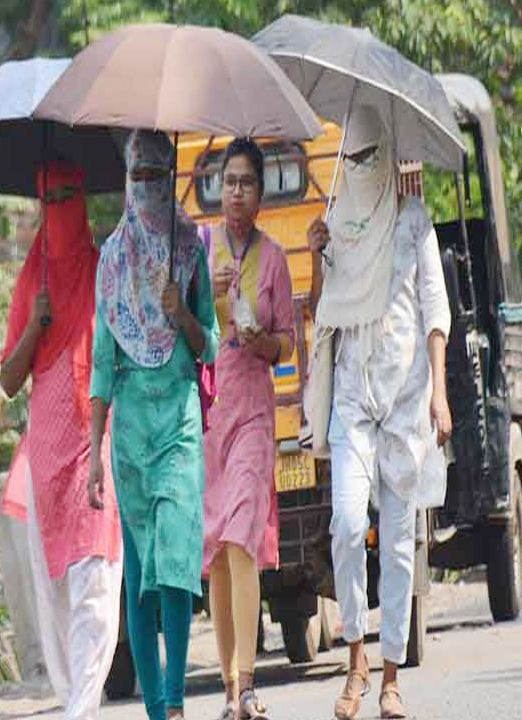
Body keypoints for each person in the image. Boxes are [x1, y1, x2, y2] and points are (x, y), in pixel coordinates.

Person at [307, 105, 452, 720]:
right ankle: (355, 656)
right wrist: (318, 255)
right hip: (351, 400)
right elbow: (321, 313)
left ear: (388, 159)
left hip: (404, 404)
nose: (363, 167)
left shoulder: (415, 223)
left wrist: (440, 392)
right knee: (344, 523)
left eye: (371, 157)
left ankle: (390, 677)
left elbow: (436, 313)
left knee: (396, 546)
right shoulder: (337, 225)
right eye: (354, 158)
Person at [89, 130, 219, 720]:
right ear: (126, 179)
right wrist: (94, 454)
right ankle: (156, 712)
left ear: (172, 176)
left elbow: (210, 344)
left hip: (179, 425)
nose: (146, 187)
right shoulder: (112, 259)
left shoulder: (191, 247)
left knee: (174, 563)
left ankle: (174, 699)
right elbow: (100, 364)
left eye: (156, 175)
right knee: (140, 573)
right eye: (137, 175)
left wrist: (181, 313)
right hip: (131, 432)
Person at [0, 160, 122, 720]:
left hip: (95, 443)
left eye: (72, 195)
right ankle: (79, 701)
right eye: (53, 198)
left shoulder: (104, 273)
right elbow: (6, 380)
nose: (63, 208)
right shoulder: (32, 281)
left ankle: (80, 709)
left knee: (95, 580)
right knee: (56, 593)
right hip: (46, 458)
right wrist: (34, 327)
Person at [200, 139, 295, 720]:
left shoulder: (276, 258)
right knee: (216, 551)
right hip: (211, 411)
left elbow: (287, 340)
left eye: (246, 182)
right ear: (218, 188)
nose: (236, 191)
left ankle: (250, 683)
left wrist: (265, 342)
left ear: (261, 192)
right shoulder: (200, 248)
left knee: (240, 536)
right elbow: (184, 329)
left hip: (256, 410)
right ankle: (229, 690)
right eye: (228, 181)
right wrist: (205, 300)